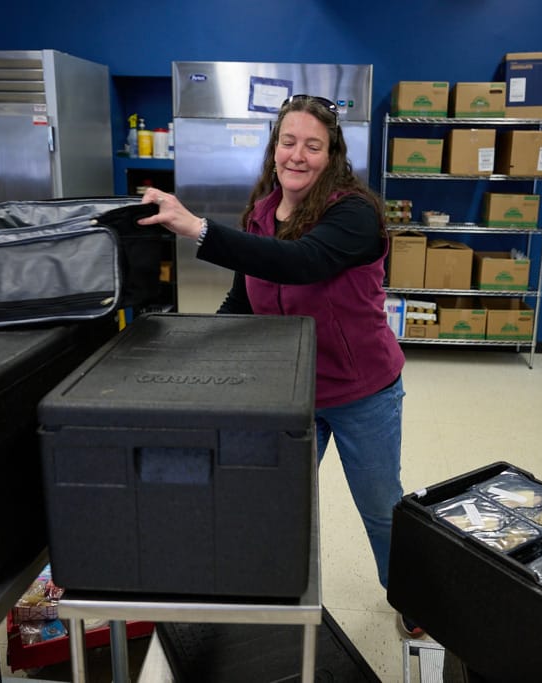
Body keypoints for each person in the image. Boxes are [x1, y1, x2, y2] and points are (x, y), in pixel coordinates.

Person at [137, 94, 422, 638]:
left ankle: (411, 595)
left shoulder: (355, 213)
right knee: (273, 499)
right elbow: (245, 296)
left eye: (312, 145)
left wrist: (198, 229)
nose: (297, 155)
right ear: (274, 150)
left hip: (363, 391)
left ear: (331, 153)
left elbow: (301, 263)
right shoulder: (263, 213)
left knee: (382, 506)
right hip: (290, 392)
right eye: (288, 142)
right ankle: (264, 590)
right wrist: (191, 347)